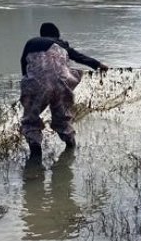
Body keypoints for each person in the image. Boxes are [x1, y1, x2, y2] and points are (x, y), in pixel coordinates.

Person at [20, 22, 107, 164]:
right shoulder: (61, 44)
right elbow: (79, 57)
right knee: (62, 117)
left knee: (31, 119)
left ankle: (35, 158)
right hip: (62, 84)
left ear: (42, 34)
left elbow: (24, 65)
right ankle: (70, 148)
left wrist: (28, 85)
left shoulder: (31, 42)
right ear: (57, 35)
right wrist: (98, 64)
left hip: (36, 84)